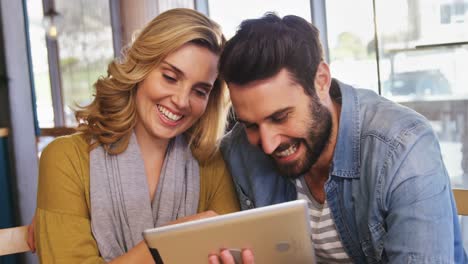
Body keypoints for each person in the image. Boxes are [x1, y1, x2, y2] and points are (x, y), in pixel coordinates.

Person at [217, 13, 467, 263]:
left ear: (321, 81)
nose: (268, 144)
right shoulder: (239, 149)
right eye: (250, 125)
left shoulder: (403, 147)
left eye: (280, 117)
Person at [33, 8, 239, 263]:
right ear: (140, 67)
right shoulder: (65, 159)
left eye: (200, 91)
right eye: (170, 77)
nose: (182, 101)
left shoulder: (210, 164)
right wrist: (175, 240)